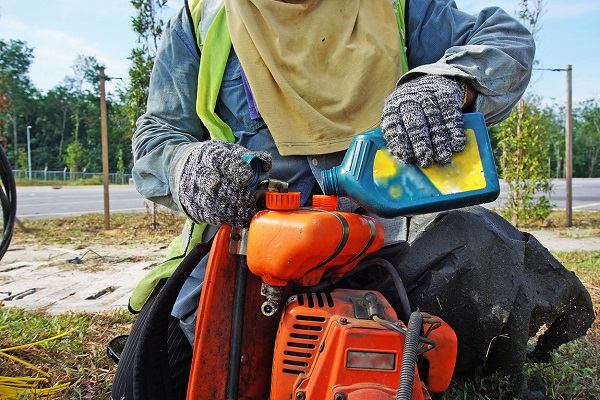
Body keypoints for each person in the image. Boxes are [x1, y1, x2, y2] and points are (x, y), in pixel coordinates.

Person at [112, 0, 542, 398]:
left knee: (475, 261)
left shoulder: (399, 5)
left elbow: (507, 38)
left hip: (388, 247)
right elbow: (157, 137)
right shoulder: (205, 15)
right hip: (249, 254)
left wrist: (449, 83)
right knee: (146, 385)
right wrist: (186, 165)